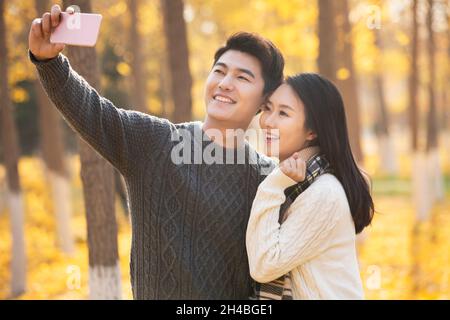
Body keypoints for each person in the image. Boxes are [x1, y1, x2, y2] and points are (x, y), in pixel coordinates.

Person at [28, 4, 284, 299]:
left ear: (264, 100)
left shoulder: (268, 180)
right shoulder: (154, 143)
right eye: (220, 71)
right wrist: (49, 62)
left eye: (242, 78)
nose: (225, 84)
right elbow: (93, 111)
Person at [246, 74, 374, 299]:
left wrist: (272, 186)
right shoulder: (300, 185)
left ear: (312, 131)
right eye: (267, 108)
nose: (267, 121)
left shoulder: (324, 193)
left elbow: (264, 265)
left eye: (283, 113)